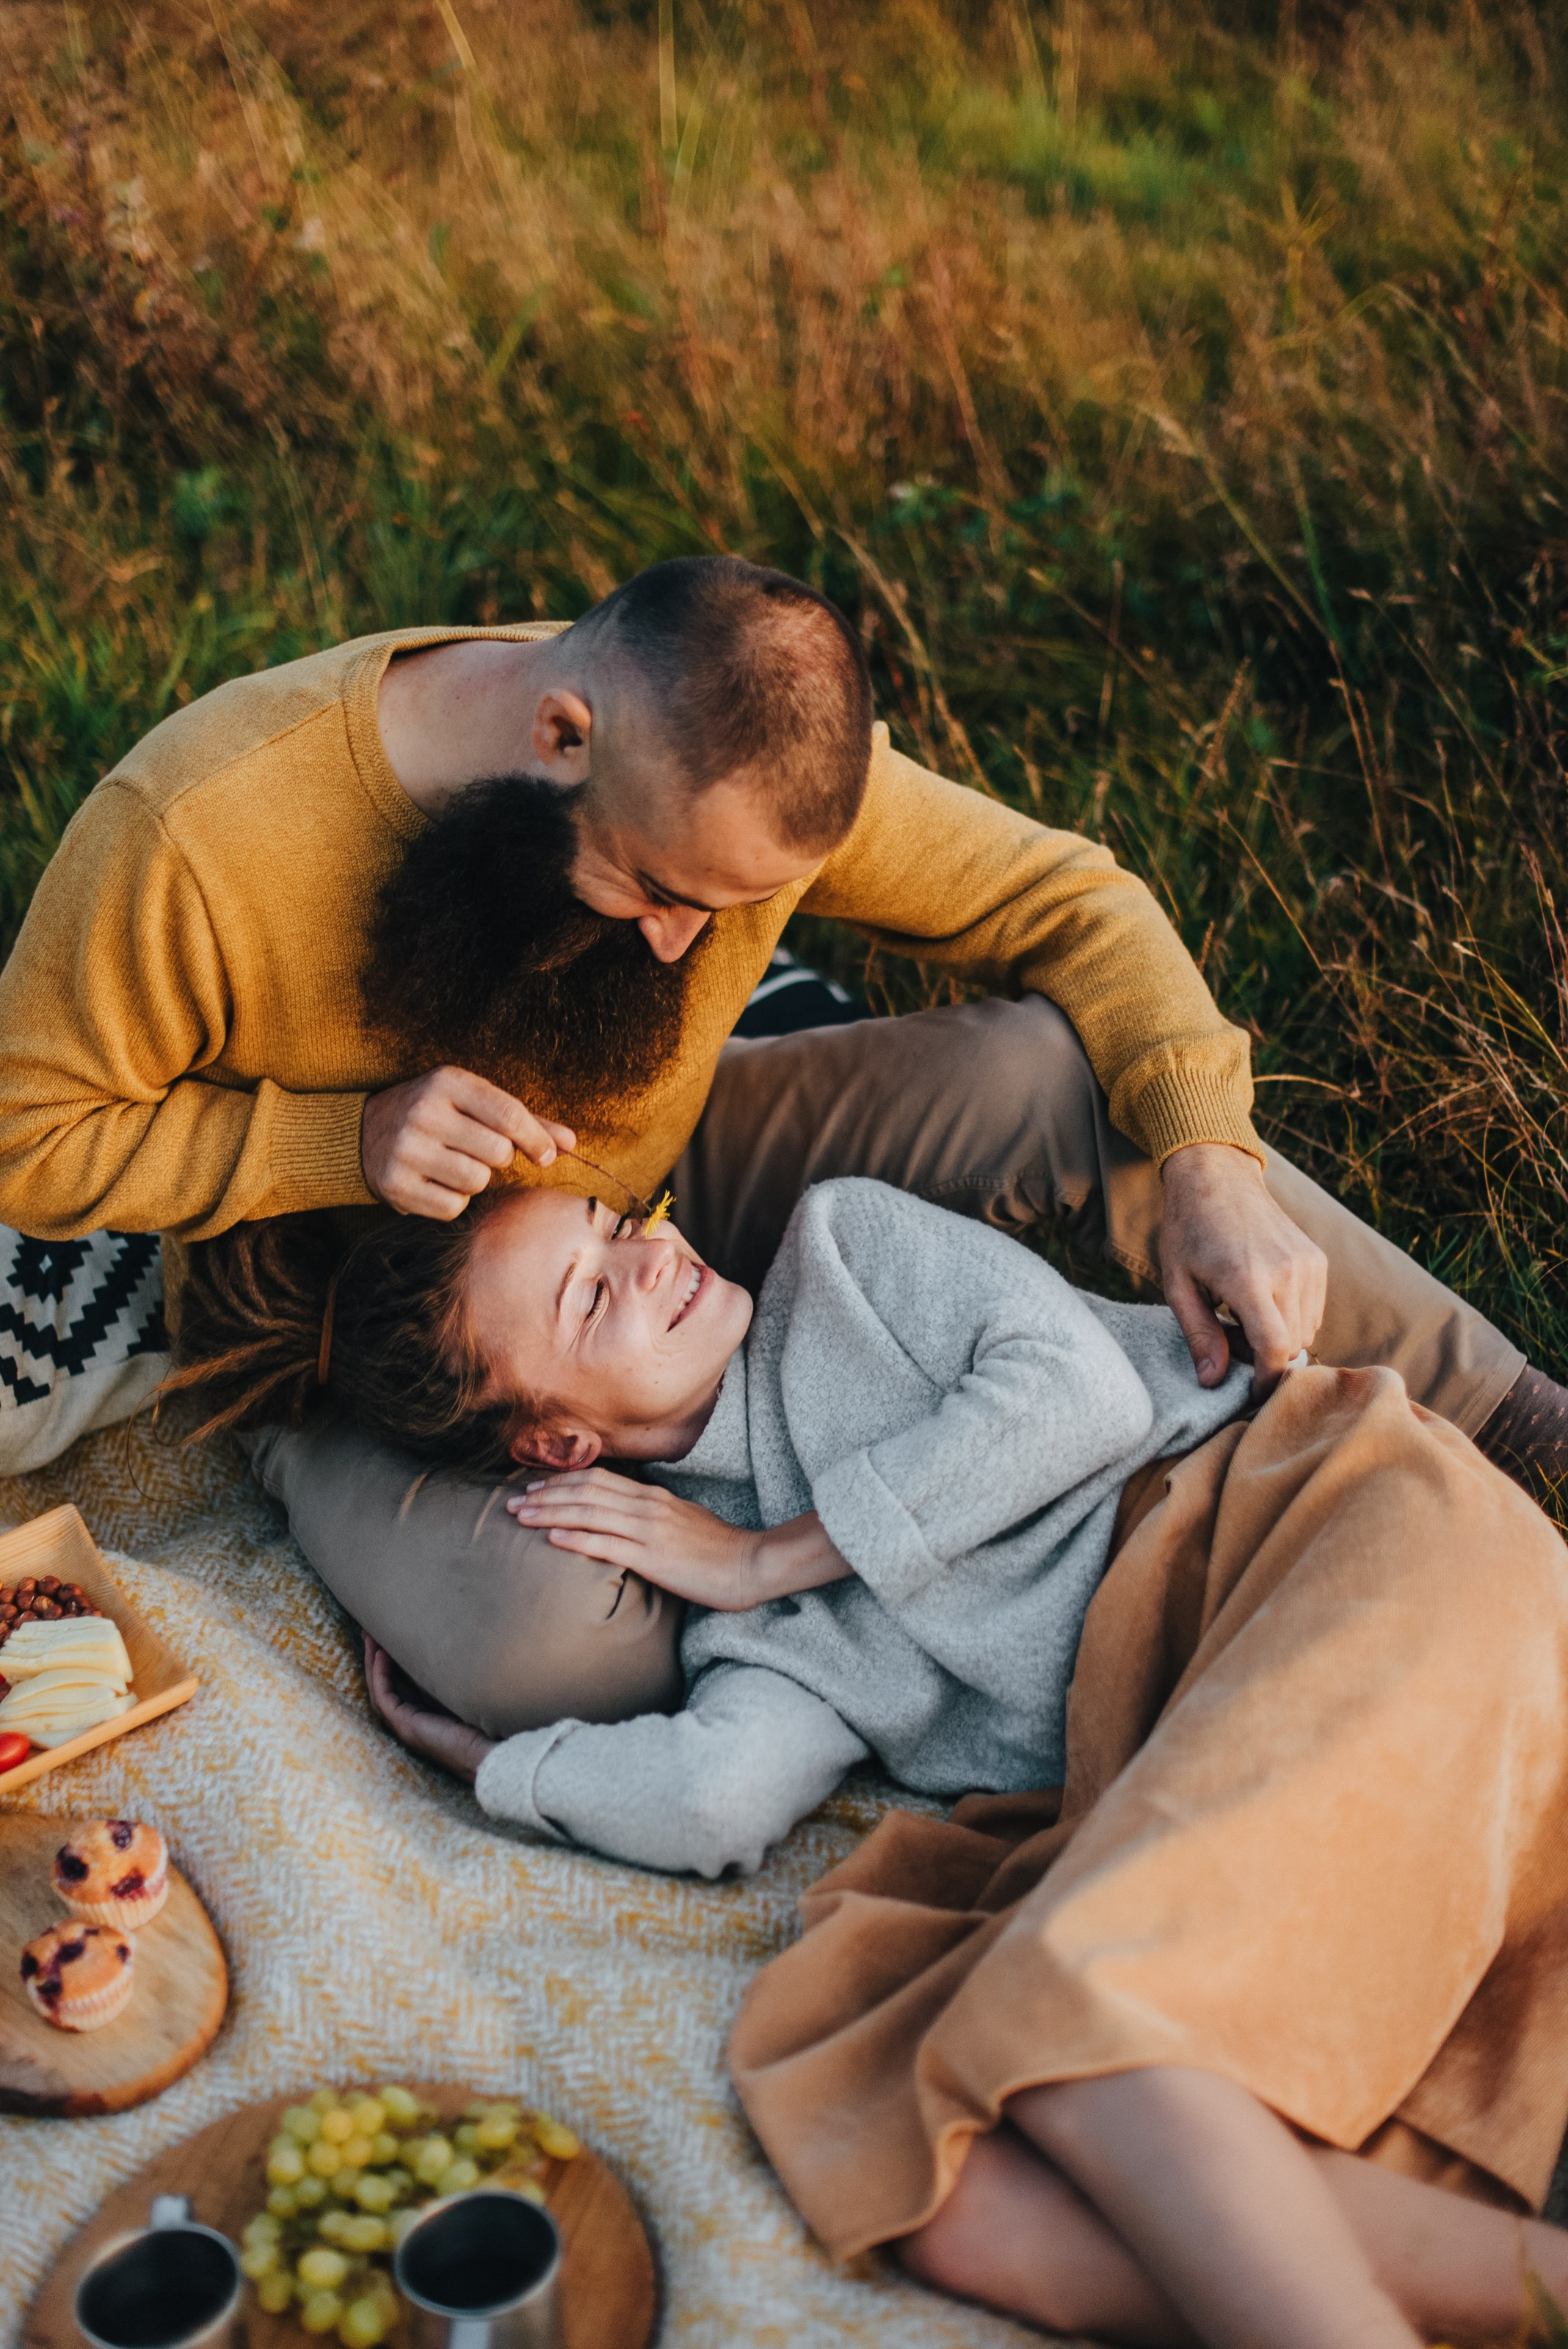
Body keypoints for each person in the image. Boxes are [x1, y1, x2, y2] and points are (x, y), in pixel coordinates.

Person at [0, 556, 1560, 1731]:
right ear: (560, 731)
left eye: (727, 909)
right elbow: (28, 1138)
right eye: (664, 889)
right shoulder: (197, 837)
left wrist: (1213, 1160)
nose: (686, 944)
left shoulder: (731, 785)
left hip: (655, 1204)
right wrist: (338, 1141)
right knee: (575, 1660)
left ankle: (1515, 1424)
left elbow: (1078, 901)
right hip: (361, 1310)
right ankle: (302, 1454)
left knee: (1067, 1082)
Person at [165, 1163, 1568, 2349]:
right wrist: (497, 1766)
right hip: (1187, 1722)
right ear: (559, 1441)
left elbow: (1081, 1392)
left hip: (1325, 1528)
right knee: (951, 2190)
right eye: (591, 1294)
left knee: (1076, 2041)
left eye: (610, 1220)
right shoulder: (752, 1644)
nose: (646, 1254)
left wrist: (770, 1555)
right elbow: (717, 1798)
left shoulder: (845, 1254)